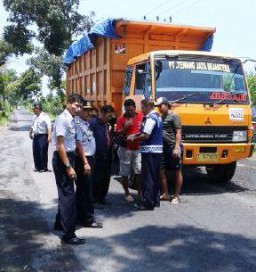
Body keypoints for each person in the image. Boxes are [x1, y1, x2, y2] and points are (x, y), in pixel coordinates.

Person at [52, 94, 90, 245]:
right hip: (63, 159)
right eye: (76, 105)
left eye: (80, 106)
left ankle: (59, 224)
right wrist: (68, 166)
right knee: (68, 196)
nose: (79, 108)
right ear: (68, 103)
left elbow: (76, 142)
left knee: (65, 193)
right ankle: (68, 235)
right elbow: (60, 145)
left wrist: (82, 161)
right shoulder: (63, 119)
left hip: (69, 157)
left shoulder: (72, 119)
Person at [74, 100, 103, 228]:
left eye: (89, 110)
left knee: (84, 190)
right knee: (86, 191)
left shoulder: (85, 123)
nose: (88, 112)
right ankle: (88, 219)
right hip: (83, 159)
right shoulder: (78, 123)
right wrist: (86, 162)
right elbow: (78, 144)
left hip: (90, 158)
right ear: (79, 110)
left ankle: (81, 217)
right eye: (85, 110)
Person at [131, 99, 163, 210]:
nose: (141, 110)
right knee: (154, 177)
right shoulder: (157, 117)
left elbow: (146, 136)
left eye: (142, 107)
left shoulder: (150, 118)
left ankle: (148, 203)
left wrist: (133, 138)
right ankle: (155, 200)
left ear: (147, 106)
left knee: (148, 178)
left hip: (150, 151)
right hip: (156, 151)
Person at [155, 97, 183, 204]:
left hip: (173, 147)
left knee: (177, 171)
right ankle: (165, 193)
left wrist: (176, 148)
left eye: (160, 106)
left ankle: (176, 196)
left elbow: (178, 133)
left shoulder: (175, 117)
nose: (159, 108)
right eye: (158, 107)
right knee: (161, 171)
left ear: (166, 105)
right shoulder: (161, 117)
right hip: (163, 148)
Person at [115, 99, 143, 203]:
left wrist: (136, 136)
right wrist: (125, 127)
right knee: (125, 171)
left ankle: (140, 192)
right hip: (125, 148)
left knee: (139, 170)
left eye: (131, 110)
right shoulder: (121, 119)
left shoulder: (141, 116)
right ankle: (126, 193)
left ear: (135, 108)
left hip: (138, 148)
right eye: (127, 110)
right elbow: (117, 134)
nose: (129, 112)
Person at [89, 105, 115, 205]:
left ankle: (102, 197)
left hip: (107, 154)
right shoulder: (93, 123)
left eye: (111, 116)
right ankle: (94, 198)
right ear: (102, 114)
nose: (110, 118)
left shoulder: (107, 124)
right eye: (108, 116)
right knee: (96, 177)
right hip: (97, 155)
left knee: (106, 177)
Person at [29, 102, 52, 172]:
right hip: (36, 136)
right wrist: (30, 133)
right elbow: (32, 126)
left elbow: (49, 127)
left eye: (35, 108)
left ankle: (43, 167)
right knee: (35, 152)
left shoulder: (45, 116)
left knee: (43, 152)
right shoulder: (34, 117)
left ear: (39, 108)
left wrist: (49, 136)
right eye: (34, 108)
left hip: (43, 136)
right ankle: (37, 167)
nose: (34, 110)